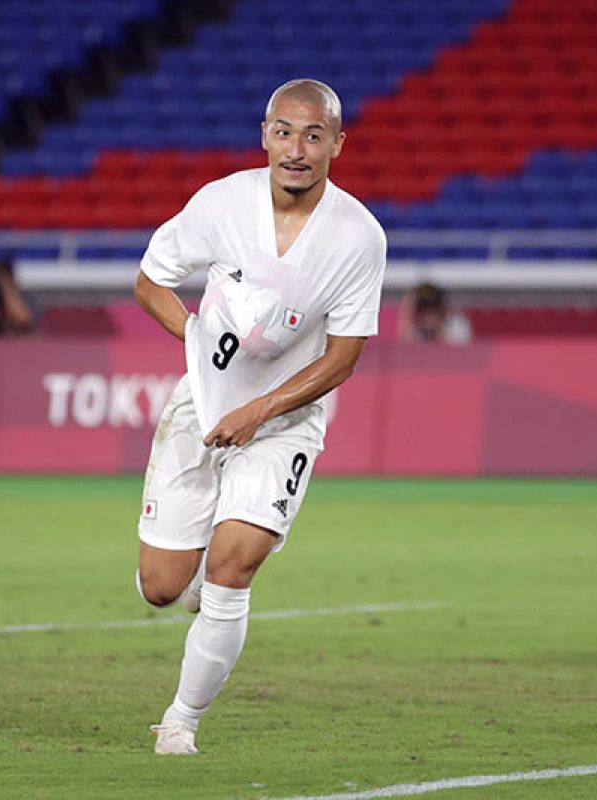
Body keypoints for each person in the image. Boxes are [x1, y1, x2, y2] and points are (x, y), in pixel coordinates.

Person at [131, 78, 386, 754]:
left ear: (337, 142)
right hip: (202, 410)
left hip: (284, 420)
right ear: (264, 134)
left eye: (312, 135)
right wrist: (191, 335)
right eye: (283, 131)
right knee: (160, 588)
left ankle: (181, 720)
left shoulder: (359, 237)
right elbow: (150, 278)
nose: (295, 149)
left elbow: (344, 356)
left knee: (233, 566)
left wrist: (262, 408)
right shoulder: (220, 204)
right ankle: (191, 569)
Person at [397, 281, 472, 344]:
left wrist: (441, 335)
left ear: (442, 309)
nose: (427, 316)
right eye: (422, 309)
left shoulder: (456, 332)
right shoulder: (415, 333)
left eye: (433, 310)